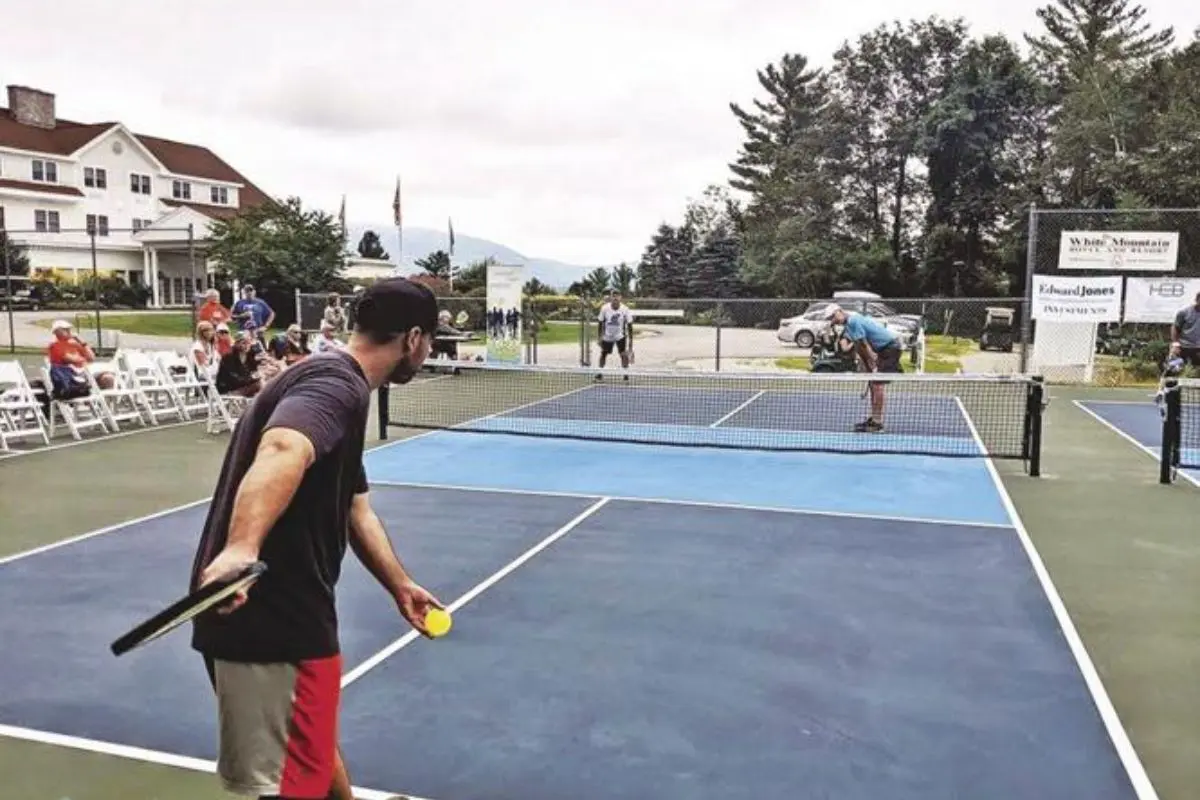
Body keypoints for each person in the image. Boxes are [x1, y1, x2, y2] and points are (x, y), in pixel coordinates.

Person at [188, 277, 444, 800]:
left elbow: (355, 505)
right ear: (413, 338)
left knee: (311, 750)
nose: (431, 350)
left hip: (294, 614)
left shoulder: (334, 381)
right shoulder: (335, 384)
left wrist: (399, 584)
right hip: (265, 616)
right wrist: (241, 547)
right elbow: (284, 447)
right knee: (291, 785)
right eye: (432, 341)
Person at [824, 304, 903, 433]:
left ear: (840, 311)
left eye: (834, 316)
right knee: (873, 384)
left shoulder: (853, 321)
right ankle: (874, 419)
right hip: (883, 349)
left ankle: (878, 423)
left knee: (878, 385)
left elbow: (864, 343)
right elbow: (858, 346)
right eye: (831, 318)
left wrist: (872, 360)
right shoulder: (849, 325)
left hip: (890, 348)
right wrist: (868, 366)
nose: (834, 319)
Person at [596, 292, 633, 381]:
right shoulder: (605, 308)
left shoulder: (625, 309)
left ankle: (626, 375)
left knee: (623, 355)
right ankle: (600, 374)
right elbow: (600, 322)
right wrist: (600, 337)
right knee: (603, 354)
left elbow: (629, 324)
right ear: (611, 298)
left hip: (620, 335)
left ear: (620, 298)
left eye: (617, 296)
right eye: (613, 296)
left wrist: (631, 340)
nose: (615, 298)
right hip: (607, 336)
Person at [1169, 291, 1200, 371]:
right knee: (1177, 370)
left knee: (1195, 372)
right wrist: (1175, 344)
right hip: (1184, 347)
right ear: (1197, 300)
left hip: (1198, 348)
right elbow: (1175, 328)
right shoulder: (1184, 312)